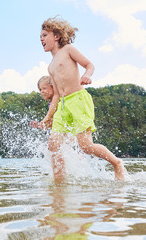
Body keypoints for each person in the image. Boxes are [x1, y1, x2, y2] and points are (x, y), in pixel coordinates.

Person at [39, 16, 126, 182]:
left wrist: (87, 75)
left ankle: (116, 163)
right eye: (40, 37)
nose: (41, 39)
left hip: (78, 100)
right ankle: (60, 183)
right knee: (53, 144)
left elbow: (89, 65)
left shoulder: (68, 50)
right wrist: (48, 117)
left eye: (44, 35)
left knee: (85, 146)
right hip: (64, 105)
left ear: (56, 36)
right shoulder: (50, 67)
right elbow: (56, 94)